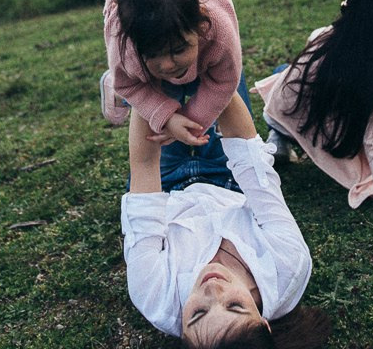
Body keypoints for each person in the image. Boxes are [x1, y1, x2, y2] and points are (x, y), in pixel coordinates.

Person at [122, 81, 332, 347]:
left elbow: (144, 166)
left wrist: (141, 89)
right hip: (230, 177)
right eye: (234, 305)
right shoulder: (288, 267)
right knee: (215, 67)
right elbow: (251, 163)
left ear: (183, 335)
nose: (212, 290)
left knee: (159, 74)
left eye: (198, 313)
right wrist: (216, 76)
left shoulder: (155, 297)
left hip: (164, 189)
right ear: (264, 324)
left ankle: (120, 87)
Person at [253, 0, 373, 217]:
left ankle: (279, 139)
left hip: (279, 115)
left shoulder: (320, 37)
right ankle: (284, 140)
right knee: (355, 133)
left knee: (283, 69)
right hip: (317, 132)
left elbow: (297, 73)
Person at [101, 0, 242, 147]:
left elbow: (224, 80)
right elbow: (129, 84)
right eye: (153, 53)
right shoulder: (125, 49)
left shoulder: (218, 31)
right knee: (151, 91)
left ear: (199, 25)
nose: (167, 64)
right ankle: (111, 82)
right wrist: (167, 118)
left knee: (229, 112)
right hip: (132, 57)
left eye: (178, 49)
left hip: (201, 21)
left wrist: (193, 121)